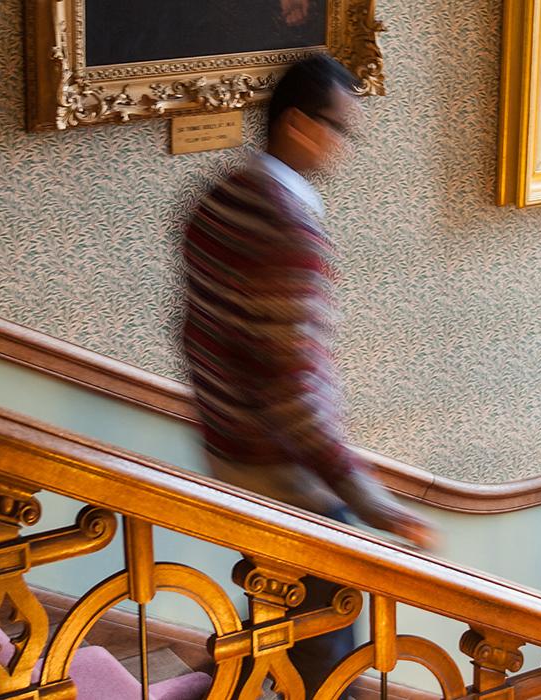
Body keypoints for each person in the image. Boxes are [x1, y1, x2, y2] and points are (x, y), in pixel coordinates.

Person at [179, 54, 439, 689]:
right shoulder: (291, 233)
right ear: (297, 124)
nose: (345, 145)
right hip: (283, 467)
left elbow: (195, 331)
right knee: (330, 647)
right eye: (339, 128)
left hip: (226, 446)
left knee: (271, 613)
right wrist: (377, 506)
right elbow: (294, 392)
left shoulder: (218, 195)